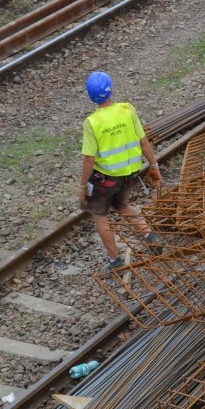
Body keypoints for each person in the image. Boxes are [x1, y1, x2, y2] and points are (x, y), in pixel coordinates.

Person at [78, 71, 163, 271]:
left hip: (105, 178)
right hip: (129, 174)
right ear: (110, 90)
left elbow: (89, 158)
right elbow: (143, 141)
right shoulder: (127, 109)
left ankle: (115, 260)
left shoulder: (92, 122)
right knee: (121, 205)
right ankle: (149, 234)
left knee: (100, 215)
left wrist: (82, 186)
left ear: (90, 96)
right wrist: (153, 165)